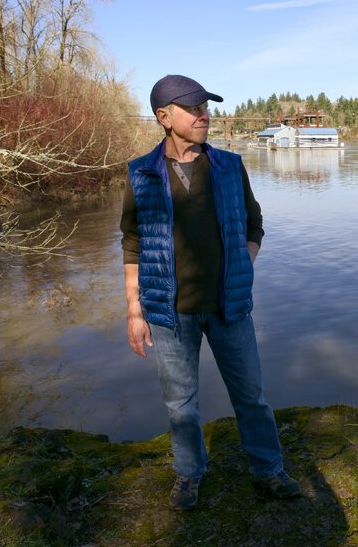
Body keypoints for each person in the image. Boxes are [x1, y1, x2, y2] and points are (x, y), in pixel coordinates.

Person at [120, 74, 300, 510]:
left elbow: (254, 223)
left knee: (251, 396)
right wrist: (134, 311)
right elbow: (132, 242)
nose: (205, 115)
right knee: (181, 404)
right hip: (169, 312)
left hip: (229, 306)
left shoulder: (229, 166)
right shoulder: (141, 173)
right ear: (164, 117)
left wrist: (245, 262)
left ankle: (268, 470)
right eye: (193, 107)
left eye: (206, 107)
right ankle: (188, 475)